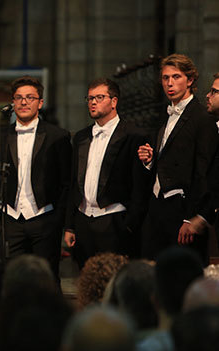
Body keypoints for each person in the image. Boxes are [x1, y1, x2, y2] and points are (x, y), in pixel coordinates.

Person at [0, 76, 72, 278]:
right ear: (12, 102)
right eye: (19, 98)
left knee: (46, 278)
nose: (24, 102)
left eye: (30, 97)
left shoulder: (58, 136)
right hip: (11, 220)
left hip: (44, 219)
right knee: (11, 279)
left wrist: (60, 221)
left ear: (40, 102)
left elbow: (66, 183)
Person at [137, 54, 219, 263]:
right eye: (165, 78)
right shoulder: (164, 117)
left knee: (181, 279)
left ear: (190, 80)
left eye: (176, 77)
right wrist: (149, 161)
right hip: (157, 209)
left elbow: (205, 171)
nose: (170, 83)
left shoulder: (202, 118)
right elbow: (168, 161)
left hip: (182, 211)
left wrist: (192, 217)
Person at [64, 78, 150, 268]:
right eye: (90, 98)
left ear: (114, 101)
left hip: (115, 221)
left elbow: (140, 186)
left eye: (99, 97)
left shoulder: (133, 135)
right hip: (84, 221)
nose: (93, 102)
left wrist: (129, 225)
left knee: (115, 282)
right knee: (86, 281)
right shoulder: (81, 137)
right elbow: (73, 182)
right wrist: (70, 225)